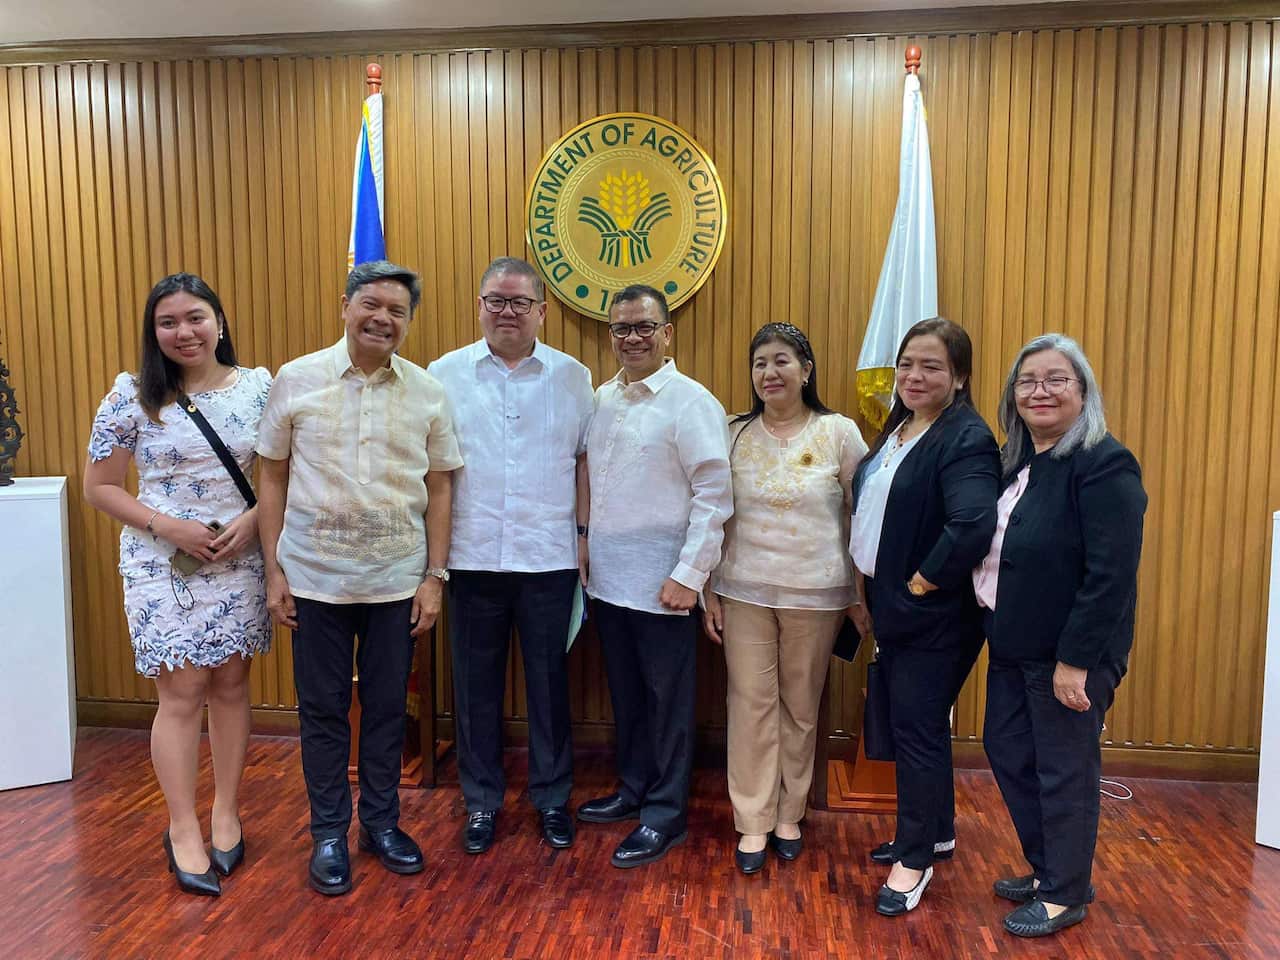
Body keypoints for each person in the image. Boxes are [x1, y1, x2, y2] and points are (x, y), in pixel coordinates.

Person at [256, 260, 463, 896]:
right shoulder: (297, 379)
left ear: (408, 321)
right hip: (315, 579)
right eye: (371, 304)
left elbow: (441, 485)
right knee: (322, 712)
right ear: (345, 304)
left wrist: (435, 577)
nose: (383, 318)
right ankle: (327, 834)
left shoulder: (427, 390)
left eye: (397, 311)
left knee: (384, 712)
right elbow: (271, 475)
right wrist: (273, 570)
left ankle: (380, 824)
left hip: (396, 583)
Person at [84, 273, 272, 897]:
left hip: (240, 554)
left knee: (231, 682)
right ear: (153, 332)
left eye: (195, 317)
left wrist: (252, 522)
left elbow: (283, 474)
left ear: (219, 319)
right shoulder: (132, 397)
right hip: (163, 561)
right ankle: (182, 825)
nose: (184, 332)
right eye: (168, 323)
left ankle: (225, 810)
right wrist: (171, 527)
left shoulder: (260, 390)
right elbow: (100, 487)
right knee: (182, 689)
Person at [977, 334, 1146, 938]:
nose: (1040, 391)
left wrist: (1075, 662)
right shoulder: (1018, 463)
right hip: (1012, 644)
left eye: (1056, 380)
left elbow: (1111, 575)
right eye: (1027, 381)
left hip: (1068, 656)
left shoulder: (1104, 464)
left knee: (1063, 769)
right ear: (1012, 395)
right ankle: (1053, 868)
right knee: (1009, 752)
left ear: (1083, 392)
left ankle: (1065, 893)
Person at [426, 257, 593, 855]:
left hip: (548, 559)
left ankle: (552, 799)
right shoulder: (443, 375)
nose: (507, 311)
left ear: (542, 312)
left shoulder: (575, 378)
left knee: (550, 688)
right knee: (474, 689)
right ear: (479, 306)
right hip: (470, 561)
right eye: (496, 300)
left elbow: (582, 464)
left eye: (520, 302)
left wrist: (581, 539)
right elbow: (430, 471)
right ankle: (482, 802)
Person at [576, 284, 733, 868]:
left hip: (666, 583)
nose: (632, 337)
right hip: (609, 582)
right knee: (628, 695)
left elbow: (715, 495)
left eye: (644, 326)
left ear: (668, 334)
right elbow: (591, 479)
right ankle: (634, 787)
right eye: (621, 328)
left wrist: (689, 575)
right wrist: (585, 545)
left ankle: (665, 814)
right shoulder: (601, 398)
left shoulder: (691, 402)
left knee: (669, 701)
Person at [702, 322, 867, 874]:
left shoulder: (839, 433)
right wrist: (707, 588)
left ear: (806, 370)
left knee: (800, 706)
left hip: (818, 594)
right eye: (759, 364)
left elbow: (860, 519)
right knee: (749, 705)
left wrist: (859, 596)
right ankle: (752, 820)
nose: (769, 373)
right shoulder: (730, 431)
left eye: (781, 361)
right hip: (742, 588)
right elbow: (710, 516)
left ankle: (789, 813)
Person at [848, 317, 999, 916]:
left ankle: (914, 862)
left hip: (932, 612)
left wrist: (918, 582)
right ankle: (935, 832)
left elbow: (971, 524)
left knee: (915, 731)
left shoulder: (965, 437)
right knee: (923, 727)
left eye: (931, 366)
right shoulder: (902, 425)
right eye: (908, 363)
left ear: (959, 377)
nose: (914, 375)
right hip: (892, 602)